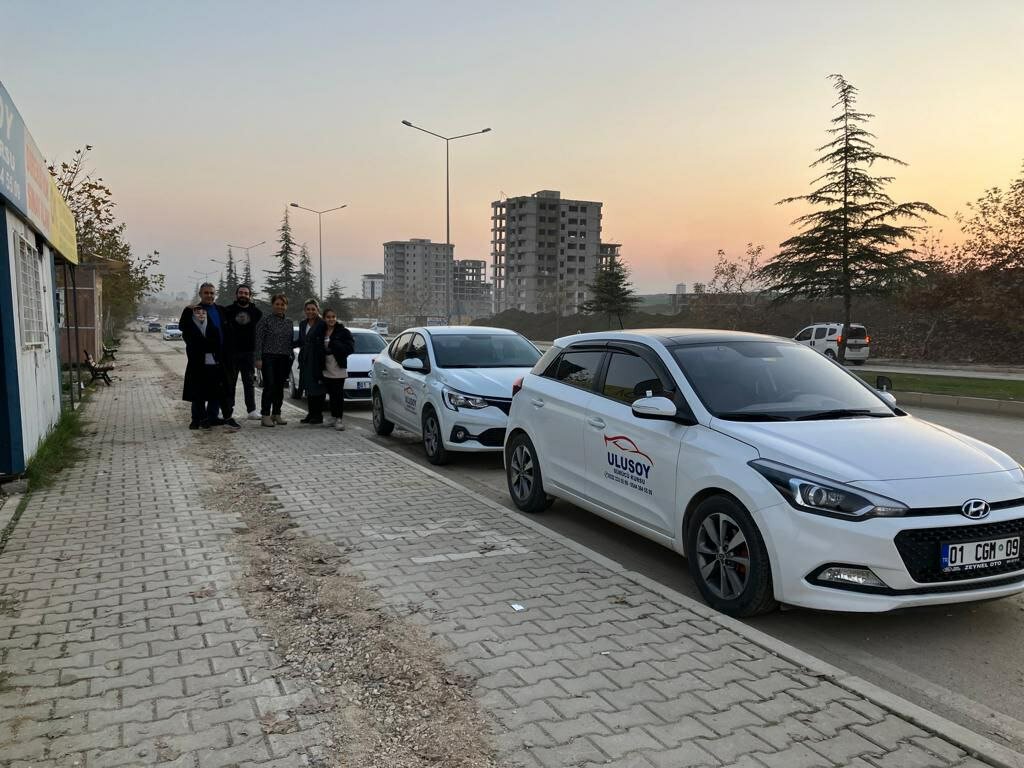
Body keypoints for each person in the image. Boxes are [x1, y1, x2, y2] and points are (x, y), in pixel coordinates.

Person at [179, 282, 238, 430]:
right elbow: (184, 329)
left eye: (212, 293)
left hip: (220, 357)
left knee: (218, 388)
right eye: (206, 293)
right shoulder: (193, 310)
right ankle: (197, 418)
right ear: (200, 294)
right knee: (199, 387)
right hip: (200, 357)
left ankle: (213, 417)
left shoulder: (221, 310)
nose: (209, 296)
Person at [222, 284, 263, 422]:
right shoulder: (227, 310)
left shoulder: (257, 313)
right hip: (231, 353)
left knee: (249, 383)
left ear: (250, 296)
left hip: (249, 353)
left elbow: (259, 335)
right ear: (236, 295)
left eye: (246, 293)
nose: (243, 295)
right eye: (241, 293)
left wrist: (258, 356)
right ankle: (227, 411)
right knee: (230, 383)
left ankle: (251, 410)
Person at [309, 308, 354, 430]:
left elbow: (350, 348)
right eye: (328, 317)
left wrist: (335, 346)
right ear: (324, 318)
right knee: (331, 395)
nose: (331, 319)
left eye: (333, 317)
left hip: (338, 367)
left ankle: (339, 419)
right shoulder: (321, 331)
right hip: (326, 367)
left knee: (338, 395)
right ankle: (333, 417)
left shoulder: (343, 332)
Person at [180, 305, 224, 430]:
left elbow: (216, 346)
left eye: (203, 313)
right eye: (197, 312)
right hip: (196, 365)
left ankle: (210, 418)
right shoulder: (189, 329)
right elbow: (191, 342)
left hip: (211, 365)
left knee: (212, 392)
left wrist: (205, 347)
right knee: (197, 393)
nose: (201, 314)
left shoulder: (212, 328)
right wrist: (187, 309)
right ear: (193, 315)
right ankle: (197, 419)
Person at [254, 294, 294, 427]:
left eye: (283, 304)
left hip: (284, 358)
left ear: (286, 306)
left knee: (279, 387)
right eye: (277, 304)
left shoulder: (289, 322)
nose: (280, 307)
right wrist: (258, 358)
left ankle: (276, 413)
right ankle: (265, 415)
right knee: (269, 386)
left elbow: (289, 341)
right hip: (268, 357)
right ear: (273, 305)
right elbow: (258, 340)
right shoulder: (265, 320)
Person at [295, 300, 326, 425]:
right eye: (308, 309)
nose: (310, 311)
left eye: (313, 309)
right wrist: (287, 345)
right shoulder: (303, 324)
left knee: (318, 388)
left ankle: (318, 415)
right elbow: (301, 341)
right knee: (308, 387)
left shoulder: (322, 323)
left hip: (317, 359)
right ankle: (311, 413)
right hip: (305, 359)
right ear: (305, 311)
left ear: (317, 310)